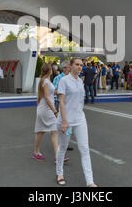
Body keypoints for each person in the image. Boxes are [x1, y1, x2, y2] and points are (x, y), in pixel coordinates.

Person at [56, 58, 97, 187]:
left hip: (80, 119)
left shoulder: (80, 81)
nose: (80, 67)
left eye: (81, 65)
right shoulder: (64, 80)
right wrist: (64, 121)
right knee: (63, 147)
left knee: (85, 149)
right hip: (66, 121)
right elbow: (61, 101)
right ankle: (59, 173)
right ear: (71, 66)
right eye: (77, 65)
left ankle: (90, 182)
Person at [33, 64, 69, 162]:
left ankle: (36, 152)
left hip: (43, 108)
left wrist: (60, 92)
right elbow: (47, 98)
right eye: (52, 69)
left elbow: (51, 92)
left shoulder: (46, 80)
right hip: (46, 109)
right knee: (54, 131)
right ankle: (58, 157)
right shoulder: (46, 81)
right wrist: (55, 111)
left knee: (41, 131)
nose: (53, 70)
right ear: (49, 71)